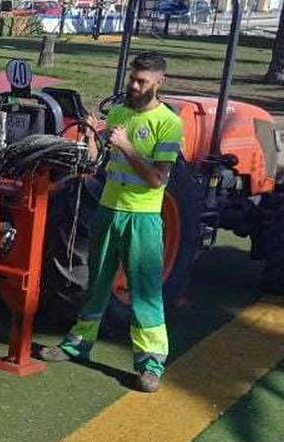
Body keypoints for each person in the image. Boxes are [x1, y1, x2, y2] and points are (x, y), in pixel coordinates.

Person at [37, 52, 184, 393]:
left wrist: (128, 147)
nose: (133, 85)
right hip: (107, 211)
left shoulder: (168, 123)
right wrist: (91, 136)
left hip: (143, 219)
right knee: (96, 283)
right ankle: (78, 344)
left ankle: (150, 365)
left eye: (141, 81)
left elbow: (158, 179)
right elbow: (97, 164)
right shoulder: (118, 113)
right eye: (132, 79)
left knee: (144, 292)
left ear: (158, 83)